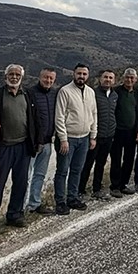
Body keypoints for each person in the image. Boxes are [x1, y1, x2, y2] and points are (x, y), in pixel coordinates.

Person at [0, 65, 38, 233]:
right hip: (3, 146)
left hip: (23, 145)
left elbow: (34, 119)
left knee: (21, 183)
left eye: (17, 74)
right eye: (11, 74)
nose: (14, 77)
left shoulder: (27, 94)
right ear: (5, 76)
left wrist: (36, 141)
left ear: (22, 77)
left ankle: (15, 215)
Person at [52, 64, 98, 214]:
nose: (81, 76)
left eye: (84, 74)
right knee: (62, 171)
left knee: (77, 170)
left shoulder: (91, 92)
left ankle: (72, 198)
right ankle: (60, 201)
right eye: (79, 73)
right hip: (68, 139)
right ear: (74, 74)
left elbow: (94, 115)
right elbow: (59, 117)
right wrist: (63, 139)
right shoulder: (65, 91)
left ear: (88, 76)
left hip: (84, 138)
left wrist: (93, 136)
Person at [25, 68, 59, 215]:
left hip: (47, 142)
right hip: (32, 143)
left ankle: (34, 203)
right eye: (46, 78)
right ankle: (20, 207)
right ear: (40, 77)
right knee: (26, 176)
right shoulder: (30, 93)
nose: (48, 81)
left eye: (51, 79)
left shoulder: (55, 94)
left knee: (39, 174)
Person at [83, 69, 119, 201]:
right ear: (100, 79)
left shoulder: (115, 96)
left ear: (114, 81)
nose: (108, 80)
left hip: (109, 135)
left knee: (101, 163)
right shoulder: (93, 94)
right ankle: (81, 190)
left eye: (110, 77)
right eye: (105, 77)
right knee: (88, 163)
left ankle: (96, 189)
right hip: (95, 135)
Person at [111, 69, 138, 196]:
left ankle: (123, 184)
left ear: (136, 79)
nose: (129, 80)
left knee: (129, 159)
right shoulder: (116, 92)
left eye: (132, 78)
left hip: (132, 132)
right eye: (127, 77)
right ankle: (114, 186)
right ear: (123, 78)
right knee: (116, 159)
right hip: (117, 131)